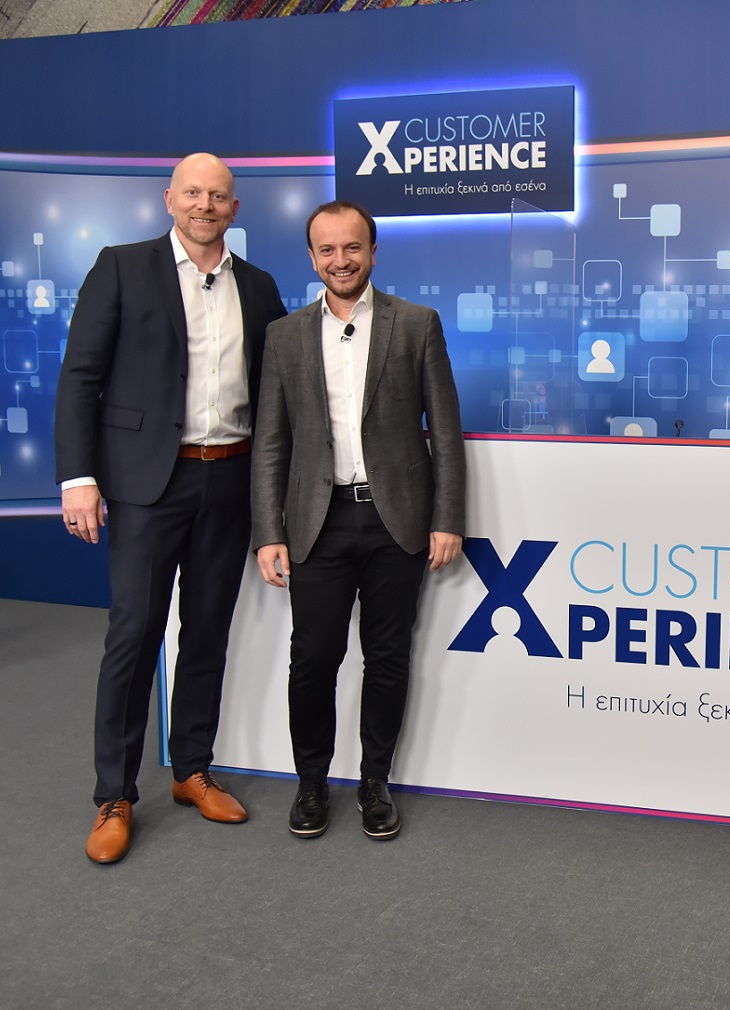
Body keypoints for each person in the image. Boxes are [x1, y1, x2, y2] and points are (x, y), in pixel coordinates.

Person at [55, 153, 287, 864]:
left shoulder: (259, 286)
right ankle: (114, 795)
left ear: (234, 209)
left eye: (217, 195)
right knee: (134, 636)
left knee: (208, 632)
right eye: (193, 193)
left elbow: (278, 390)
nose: (204, 205)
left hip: (231, 480)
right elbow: (80, 376)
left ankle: (191, 770)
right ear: (169, 199)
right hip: (146, 485)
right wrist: (78, 478)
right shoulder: (121, 267)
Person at [250, 200, 465, 842]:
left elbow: (445, 432)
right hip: (316, 522)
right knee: (313, 659)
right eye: (327, 250)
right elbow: (270, 442)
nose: (340, 261)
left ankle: (375, 782)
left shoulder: (417, 324)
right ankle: (311, 782)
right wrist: (268, 531)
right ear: (312, 257)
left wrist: (447, 517)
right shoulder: (284, 335)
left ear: (372, 251)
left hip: (397, 521)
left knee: (388, 656)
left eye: (352, 248)